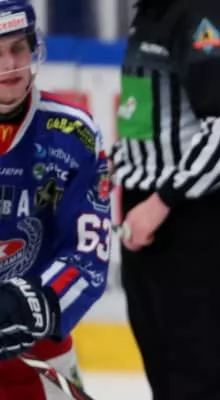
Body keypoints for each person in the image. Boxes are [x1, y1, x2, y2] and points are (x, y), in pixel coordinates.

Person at [112, 0, 220, 398]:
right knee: (167, 373)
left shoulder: (202, 13)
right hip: (156, 215)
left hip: (203, 218)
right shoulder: (151, 13)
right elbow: (151, 125)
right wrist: (113, 167)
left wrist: (160, 203)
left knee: (206, 375)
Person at [0, 1, 112, 398]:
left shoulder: (72, 134)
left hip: (38, 346)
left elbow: (88, 254)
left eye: (18, 48)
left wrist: (33, 303)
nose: (9, 64)